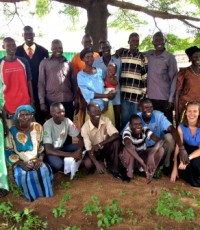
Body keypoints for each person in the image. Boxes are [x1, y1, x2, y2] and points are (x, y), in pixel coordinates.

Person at [5, 105, 53, 202]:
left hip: (36, 159)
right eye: (22, 115)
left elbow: (42, 145)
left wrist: (40, 159)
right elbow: (8, 151)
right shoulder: (12, 131)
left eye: (27, 114)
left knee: (44, 170)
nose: (25, 117)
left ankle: (47, 199)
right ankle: (31, 201)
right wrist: (21, 164)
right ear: (17, 117)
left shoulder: (37, 127)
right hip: (20, 163)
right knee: (24, 176)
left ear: (31, 116)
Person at [137, 98, 189, 172]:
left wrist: (181, 148)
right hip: (143, 149)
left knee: (169, 138)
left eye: (151, 107)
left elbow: (172, 129)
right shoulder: (136, 118)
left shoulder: (158, 115)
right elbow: (125, 135)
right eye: (146, 108)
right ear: (140, 108)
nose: (149, 110)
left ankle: (164, 166)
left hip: (158, 145)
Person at [81, 102, 124, 180]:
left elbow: (116, 134)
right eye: (94, 111)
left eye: (98, 110)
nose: (97, 113)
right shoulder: (84, 128)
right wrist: (96, 163)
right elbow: (88, 149)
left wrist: (100, 144)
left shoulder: (105, 119)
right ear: (88, 113)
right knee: (88, 164)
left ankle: (114, 168)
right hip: (94, 151)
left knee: (116, 141)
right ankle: (100, 163)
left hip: (105, 148)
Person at [38, 39, 78, 122]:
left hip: (68, 100)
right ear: (51, 49)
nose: (58, 50)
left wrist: (76, 98)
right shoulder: (45, 63)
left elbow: (74, 83)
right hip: (52, 101)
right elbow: (41, 83)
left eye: (60, 48)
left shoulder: (68, 63)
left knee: (68, 126)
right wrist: (42, 102)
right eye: (55, 48)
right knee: (54, 127)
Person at [16, 26, 49, 124]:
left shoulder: (43, 51)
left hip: (40, 90)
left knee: (40, 117)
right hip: (22, 90)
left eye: (30, 34)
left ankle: (40, 138)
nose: (28, 36)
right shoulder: (17, 51)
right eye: (26, 34)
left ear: (34, 35)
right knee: (23, 117)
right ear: (23, 36)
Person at [115, 32, 147, 129]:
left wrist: (143, 97)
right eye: (133, 40)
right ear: (128, 41)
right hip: (124, 95)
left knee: (137, 122)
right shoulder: (122, 54)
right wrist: (118, 50)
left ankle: (136, 142)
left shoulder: (142, 57)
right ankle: (125, 141)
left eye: (137, 41)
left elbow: (144, 78)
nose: (135, 42)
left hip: (137, 97)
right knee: (125, 120)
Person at [0, 37, 34, 130]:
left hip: (25, 105)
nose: (12, 47)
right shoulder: (0, 64)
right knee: (13, 136)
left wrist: (32, 101)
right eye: (8, 45)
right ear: (3, 46)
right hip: (9, 107)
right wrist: (2, 107)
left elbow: (29, 81)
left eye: (13, 45)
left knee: (30, 133)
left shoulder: (23, 61)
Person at [77, 48, 116, 125]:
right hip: (93, 108)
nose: (90, 59)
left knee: (109, 130)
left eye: (91, 56)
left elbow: (106, 85)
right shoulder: (80, 75)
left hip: (107, 105)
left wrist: (112, 92)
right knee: (93, 132)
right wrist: (106, 95)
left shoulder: (99, 71)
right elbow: (88, 94)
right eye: (87, 57)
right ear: (82, 59)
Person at [121, 114, 164, 182]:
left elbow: (160, 141)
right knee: (130, 149)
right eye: (135, 124)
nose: (138, 126)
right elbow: (128, 146)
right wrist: (142, 163)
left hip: (141, 154)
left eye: (140, 124)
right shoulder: (127, 132)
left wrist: (151, 154)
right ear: (130, 125)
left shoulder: (144, 129)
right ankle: (128, 174)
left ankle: (148, 172)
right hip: (131, 156)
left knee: (160, 150)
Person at [146, 31, 178, 122]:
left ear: (164, 42)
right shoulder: (149, 55)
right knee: (153, 124)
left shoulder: (170, 57)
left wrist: (171, 99)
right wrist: (121, 50)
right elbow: (135, 52)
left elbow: (174, 78)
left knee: (166, 126)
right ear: (153, 42)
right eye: (156, 40)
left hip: (165, 99)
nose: (159, 42)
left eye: (161, 40)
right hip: (151, 98)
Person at [43, 102, 84, 174]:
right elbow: (48, 150)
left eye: (63, 111)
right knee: (58, 165)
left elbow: (80, 138)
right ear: (52, 113)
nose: (62, 114)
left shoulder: (67, 121)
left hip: (61, 148)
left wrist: (79, 152)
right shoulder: (47, 125)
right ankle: (48, 164)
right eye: (58, 112)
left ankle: (66, 161)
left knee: (82, 146)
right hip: (51, 151)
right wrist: (71, 154)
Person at [71, 34, 100, 130]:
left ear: (92, 43)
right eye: (85, 41)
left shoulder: (96, 55)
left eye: (89, 41)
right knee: (83, 109)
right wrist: (76, 94)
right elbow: (74, 76)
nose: (88, 43)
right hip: (82, 89)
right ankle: (83, 129)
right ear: (82, 43)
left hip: (95, 89)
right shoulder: (76, 58)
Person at [93, 40, 122, 131]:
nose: (106, 49)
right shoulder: (96, 62)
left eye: (107, 47)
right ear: (100, 49)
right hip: (103, 94)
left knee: (117, 117)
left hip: (115, 94)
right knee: (105, 117)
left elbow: (119, 76)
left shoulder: (118, 60)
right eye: (103, 47)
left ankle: (117, 136)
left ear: (110, 47)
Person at [170, 101, 200, 187]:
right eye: (189, 111)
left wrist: (188, 159)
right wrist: (175, 168)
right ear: (186, 113)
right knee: (179, 159)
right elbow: (178, 146)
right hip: (187, 149)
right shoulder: (181, 127)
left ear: (199, 113)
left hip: (198, 151)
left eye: (195, 111)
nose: (192, 114)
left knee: (195, 165)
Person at [176, 46, 200, 122]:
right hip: (186, 108)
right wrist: (177, 112)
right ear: (190, 58)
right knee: (186, 131)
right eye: (195, 57)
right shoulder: (184, 72)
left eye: (199, 56)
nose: (198, 58)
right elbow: (177, 92)